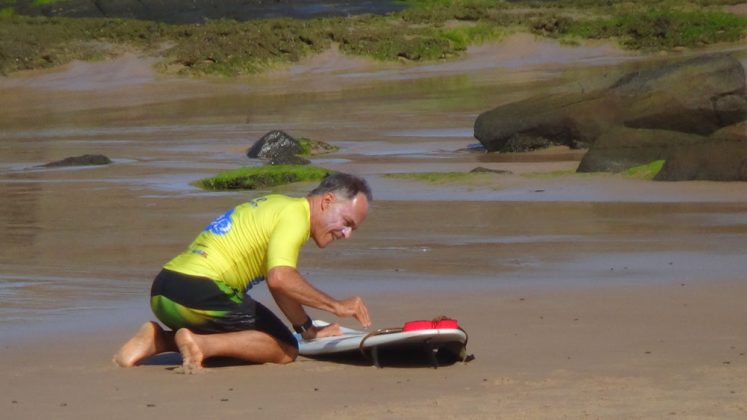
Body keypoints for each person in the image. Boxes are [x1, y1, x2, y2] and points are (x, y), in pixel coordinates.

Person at [113, 172, 372, 371]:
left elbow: (280, 284)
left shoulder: (279, 204)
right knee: (284, 349)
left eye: (353, 229)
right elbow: (280, 277)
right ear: (327, 201)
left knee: (261, 332)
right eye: (347, 223)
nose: (346, 234)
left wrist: (307, 328)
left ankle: (158, 340)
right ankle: (201, 345)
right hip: (200, 292)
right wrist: (336, 306)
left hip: (165, 289)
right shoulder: (296, 216)